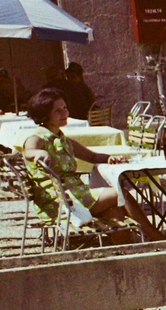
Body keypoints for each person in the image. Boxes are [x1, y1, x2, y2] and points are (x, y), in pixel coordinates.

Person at [20, 88, 136, 232]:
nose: (65, 113)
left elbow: (92, 157)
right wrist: (38, 153)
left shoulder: (63, 139)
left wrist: (110, 158)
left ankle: (122, 249)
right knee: (121, 193)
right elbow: (28, 152)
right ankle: (155, 237)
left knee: (115, 211)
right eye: (58, 110)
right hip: (61, 202)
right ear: (44, 114)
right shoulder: (37, 138)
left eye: (65, 108)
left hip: (75, 195)